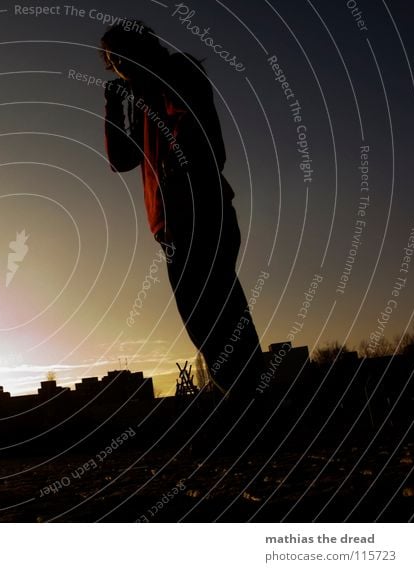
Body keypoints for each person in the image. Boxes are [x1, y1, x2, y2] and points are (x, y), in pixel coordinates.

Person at [101, 21, 264, 410]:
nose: (119, 66)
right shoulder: (145, 99)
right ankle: (247, 402)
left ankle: (251, 402)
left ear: (142, 48)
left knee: (216, 310)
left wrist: (178, 178)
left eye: (121, 55)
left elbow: (197, 130)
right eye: (112, 62)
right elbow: (121, 160)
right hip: (172, 227)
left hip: (198, 211)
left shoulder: (174, 74)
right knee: (204, 315)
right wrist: (114, 107)